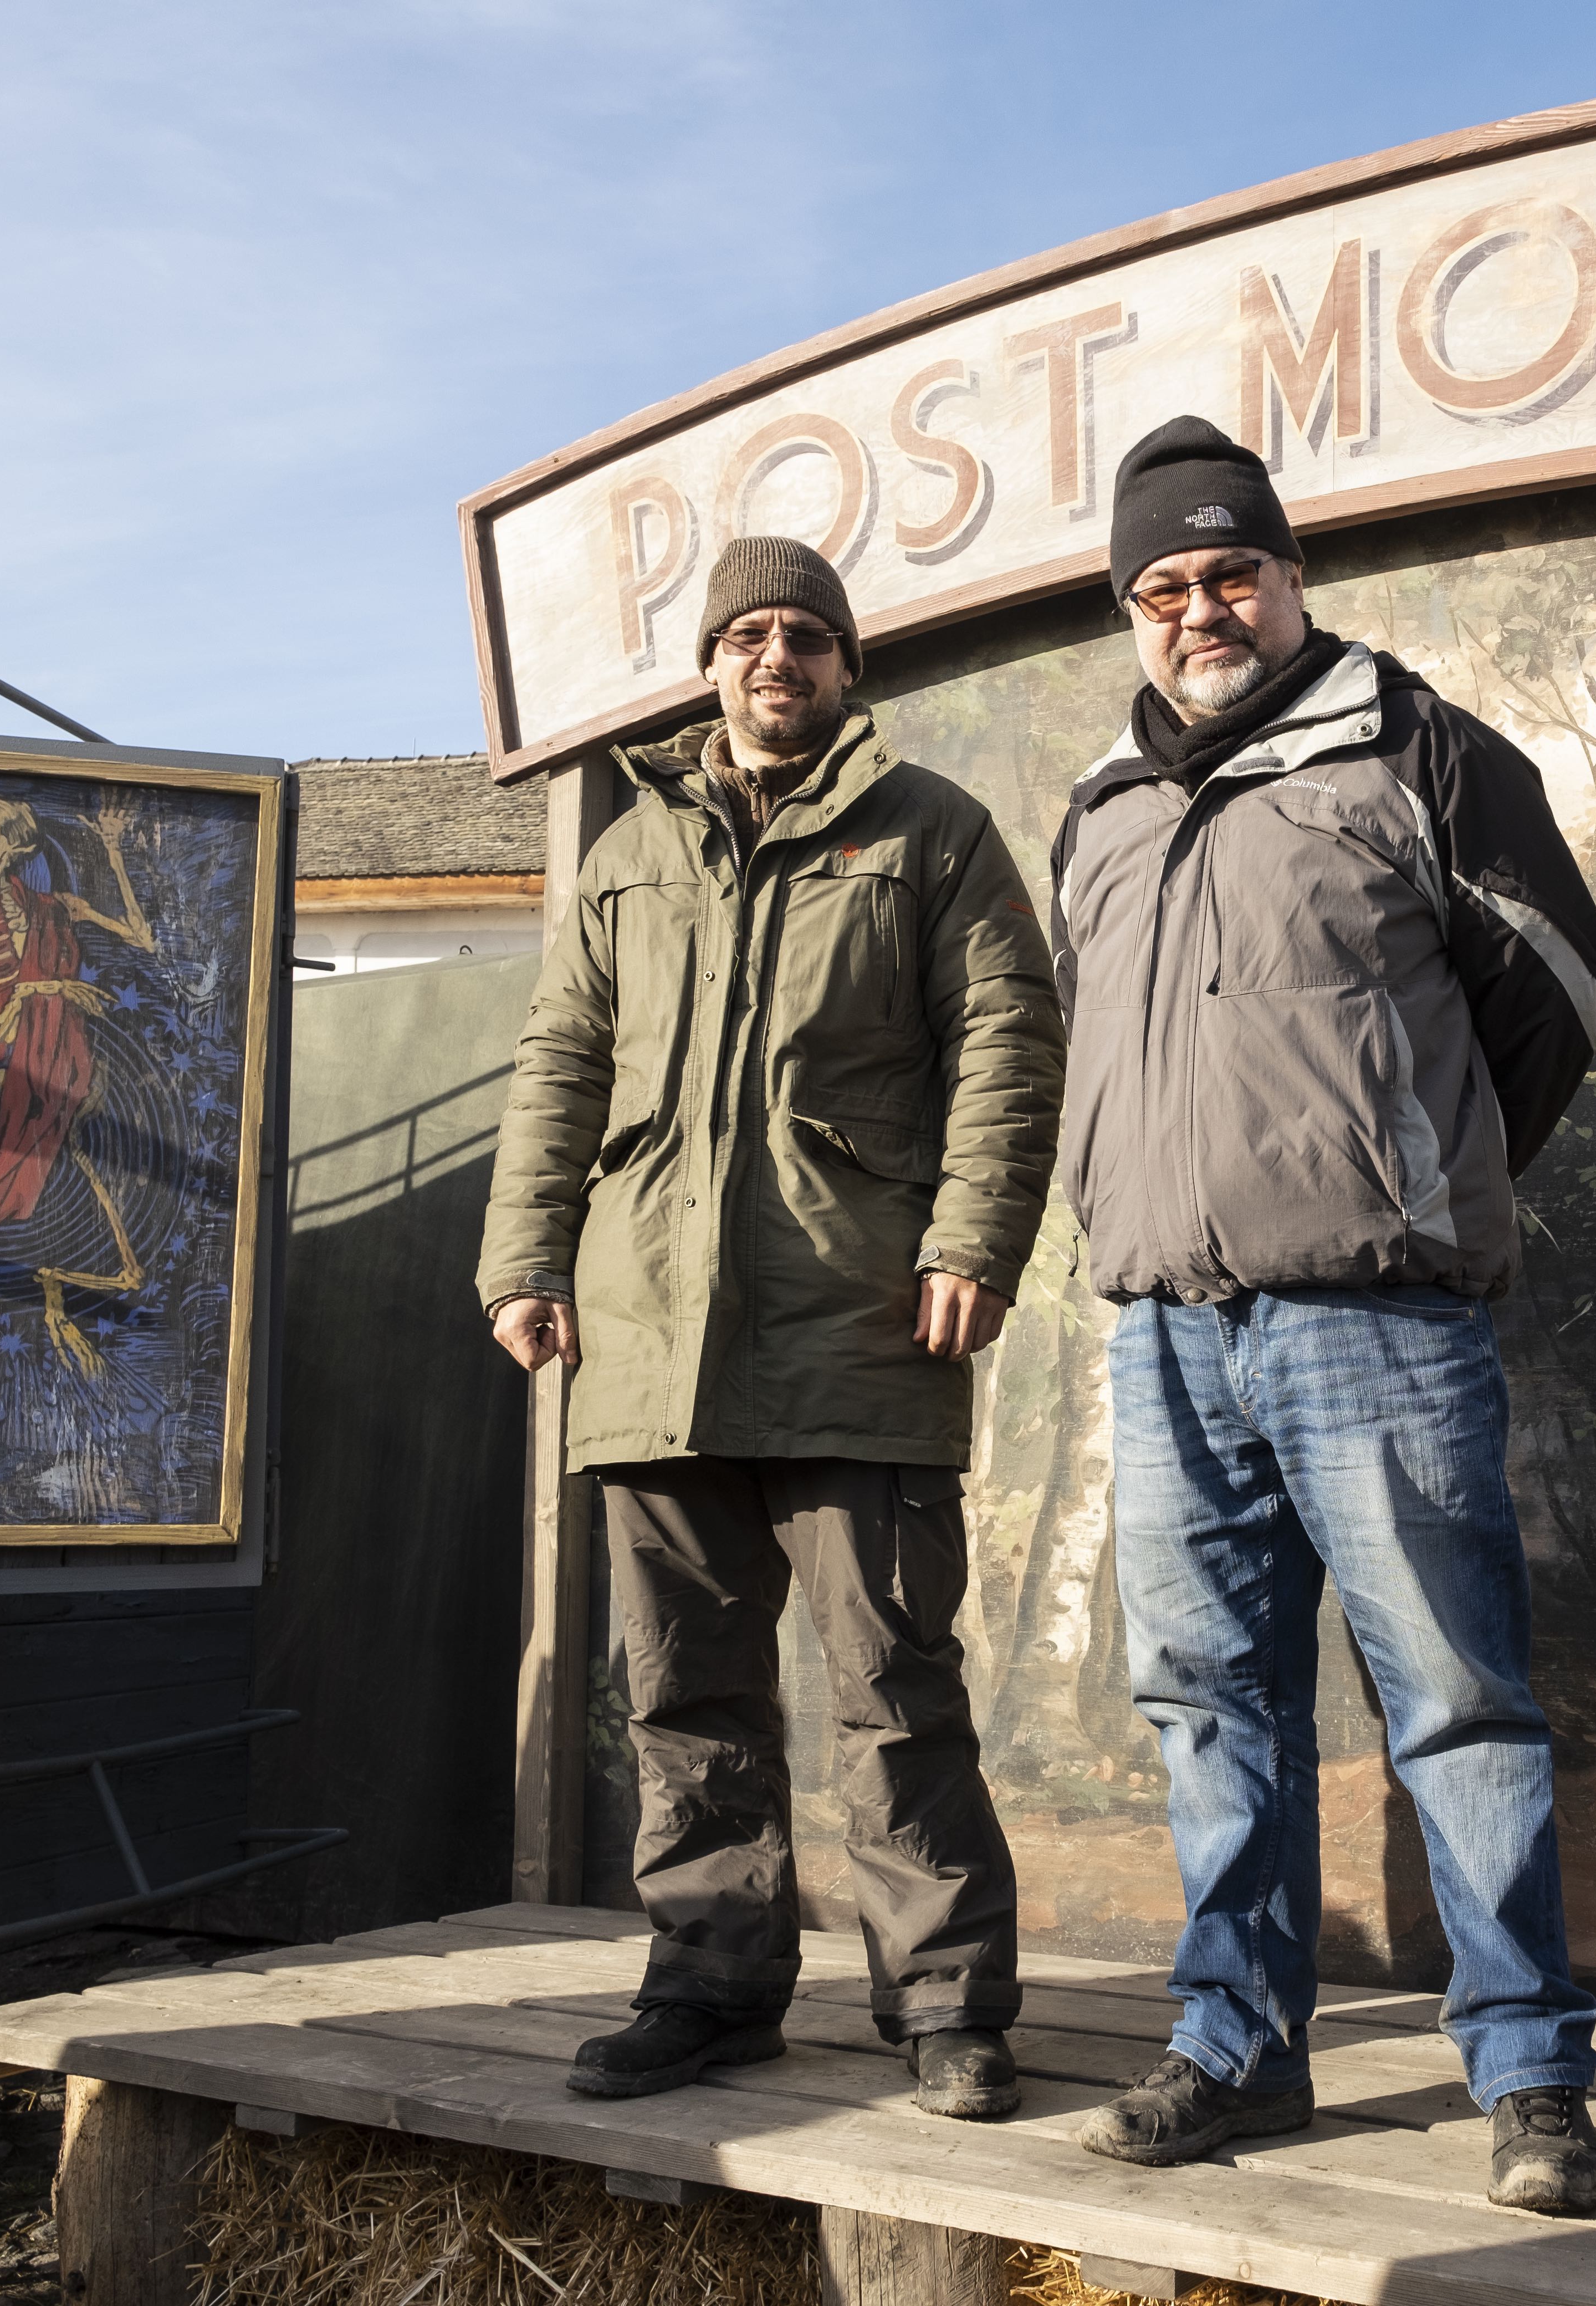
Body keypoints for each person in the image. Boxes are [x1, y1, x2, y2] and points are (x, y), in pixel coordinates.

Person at [1050, 416, 1596, 2213]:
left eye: (1231, 571)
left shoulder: (1421, 749)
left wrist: (1412, 1174)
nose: (1199, 608)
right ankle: (1237, 2047)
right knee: (1208, 1701)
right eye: (1162, 586)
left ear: (1291, 577)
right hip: (1166, 1329)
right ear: (1132, 611)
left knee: (1453, 1700)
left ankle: (1528, 2075)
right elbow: (1088, 1045)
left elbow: (1562, 993)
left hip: (1375, 1323)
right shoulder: (1102, 808)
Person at [475, 533, 1063, 2120]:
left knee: (892, 1686)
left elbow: (1009, 1038)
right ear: (712, 668)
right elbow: (560, 1061)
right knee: (686, 1692)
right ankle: (712, 1987)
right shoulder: (628, 854)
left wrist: (973, 1239)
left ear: (848, 665)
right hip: (648, 1335)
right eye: (747, 635)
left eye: (806, 634)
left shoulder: (931, 828)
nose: (776, 658)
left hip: (859, 1321)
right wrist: (525, 1256)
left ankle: (945, 2004)